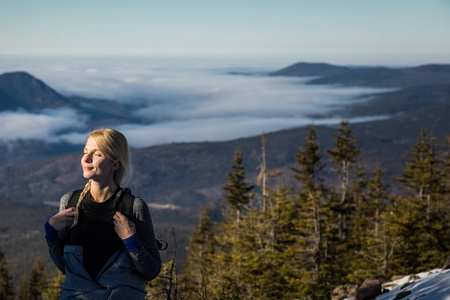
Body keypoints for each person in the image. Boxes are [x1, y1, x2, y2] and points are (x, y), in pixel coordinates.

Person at [45, 128, 162, 299]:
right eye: (85, 151)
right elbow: (65, 267)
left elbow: (152, 271)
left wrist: (131, 241)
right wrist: (50, 233)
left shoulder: (133, 206)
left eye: (97, 154)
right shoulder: (69, 202)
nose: (86, 159)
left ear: (115, 164)